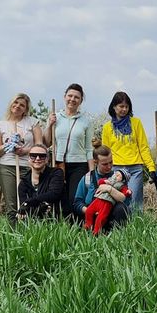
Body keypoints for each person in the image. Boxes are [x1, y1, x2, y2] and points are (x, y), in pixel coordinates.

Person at [100, 91, 155, 212]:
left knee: (134, 201)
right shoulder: (107, 127)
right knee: (116, 200)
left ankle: (135, 226)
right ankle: (118, 226)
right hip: (116, 169)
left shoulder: (136, 123)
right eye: (121, 106)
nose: (124, 109)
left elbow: (143, 147)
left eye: (126, 106)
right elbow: (105, 152)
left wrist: (151, 167)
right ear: (114, 107)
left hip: (135, 169)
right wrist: (104, 169)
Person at [0, 93, 43, 219]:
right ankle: (12, 237)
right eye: (16, 103)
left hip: (28, 166)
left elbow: (40, 146)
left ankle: (29, 235)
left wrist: (25, 151)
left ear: (26, 109)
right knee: (12, 205)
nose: (18, 106)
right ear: (11, 104)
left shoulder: (32, 122)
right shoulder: (0, 125)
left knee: (29, 204)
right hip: (7, 166)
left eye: (22, 105)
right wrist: (9, 144)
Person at [47, 83, 93, 219]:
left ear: (81, 101)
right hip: (58, 162)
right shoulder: (55, 117)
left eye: (76, 97)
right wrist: (49, 125)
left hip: (79, 164)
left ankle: (77, 229)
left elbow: (89, 148)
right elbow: (46, 141)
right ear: (64, 96)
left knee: (74, 197)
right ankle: (60, 228)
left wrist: (91, 172)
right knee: (58, 196)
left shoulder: (86, 121)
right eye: (70, 96)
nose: (72, 99)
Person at [73, 146, 130, 232]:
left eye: (111, 162)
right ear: (95, 162)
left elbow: (127, 202)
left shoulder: (119, 178)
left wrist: (109, 189)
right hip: (93, 217)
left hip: (111, 217)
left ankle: (117, 237)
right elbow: (77, 203)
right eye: (105, 164)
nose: (109, 166)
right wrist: (89, 211)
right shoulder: (87, 179)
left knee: (120, 208)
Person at [16, 145, 65, 220]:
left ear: (47, 159)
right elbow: (24, 208)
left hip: (56, 219)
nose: (37, 158)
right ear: (28, 159)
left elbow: (54, 194)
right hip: (33, 224)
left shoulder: (56, 173)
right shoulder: (23, 183)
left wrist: (30, 201)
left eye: (42, 156)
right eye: (33, 156)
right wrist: (38, 207)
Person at [84, 169, 131, 235]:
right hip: (99, 199)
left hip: (107, 202)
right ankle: (88, 225)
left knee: (101, 217)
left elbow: (125, 193)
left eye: (118, 176)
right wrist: (104, 181)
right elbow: (99, 182)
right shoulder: (108, 179)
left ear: (122, 180)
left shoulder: (121, 186)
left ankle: (96, 231)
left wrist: (128, 192)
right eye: (116, 174)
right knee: (89, 211)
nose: (116, 176)